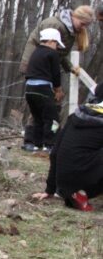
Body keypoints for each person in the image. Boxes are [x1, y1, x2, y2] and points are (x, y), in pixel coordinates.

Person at [19, 5, 94, 151]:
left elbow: (60, 55)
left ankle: (36, 142)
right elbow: (49, 55)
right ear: (76, 17)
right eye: (83, 24)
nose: (83, 28)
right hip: (38, 71)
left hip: (43, 73)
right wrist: (57, 87)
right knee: (45, 111)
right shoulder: (54, 26)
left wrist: (70, 67)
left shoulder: (69, 31)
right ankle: (45, 142)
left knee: (43, 110)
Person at [34, 83, 103, 211]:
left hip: (64, 184)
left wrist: (50, 190)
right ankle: (82, 191)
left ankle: (78, 194)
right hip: (83, 177)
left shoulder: (76, 115)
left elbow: (54, 153)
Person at [22, 29, 63, 153]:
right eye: (57, 44)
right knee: (52, 118)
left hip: (29, 89)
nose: (57, 47)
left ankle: (35, 143)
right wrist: (58, 90)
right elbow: (56, 74)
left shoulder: (35, 52)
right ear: (51, 41)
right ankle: (50, 144)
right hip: (43, 89)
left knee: (37, 117)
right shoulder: (52, 54)